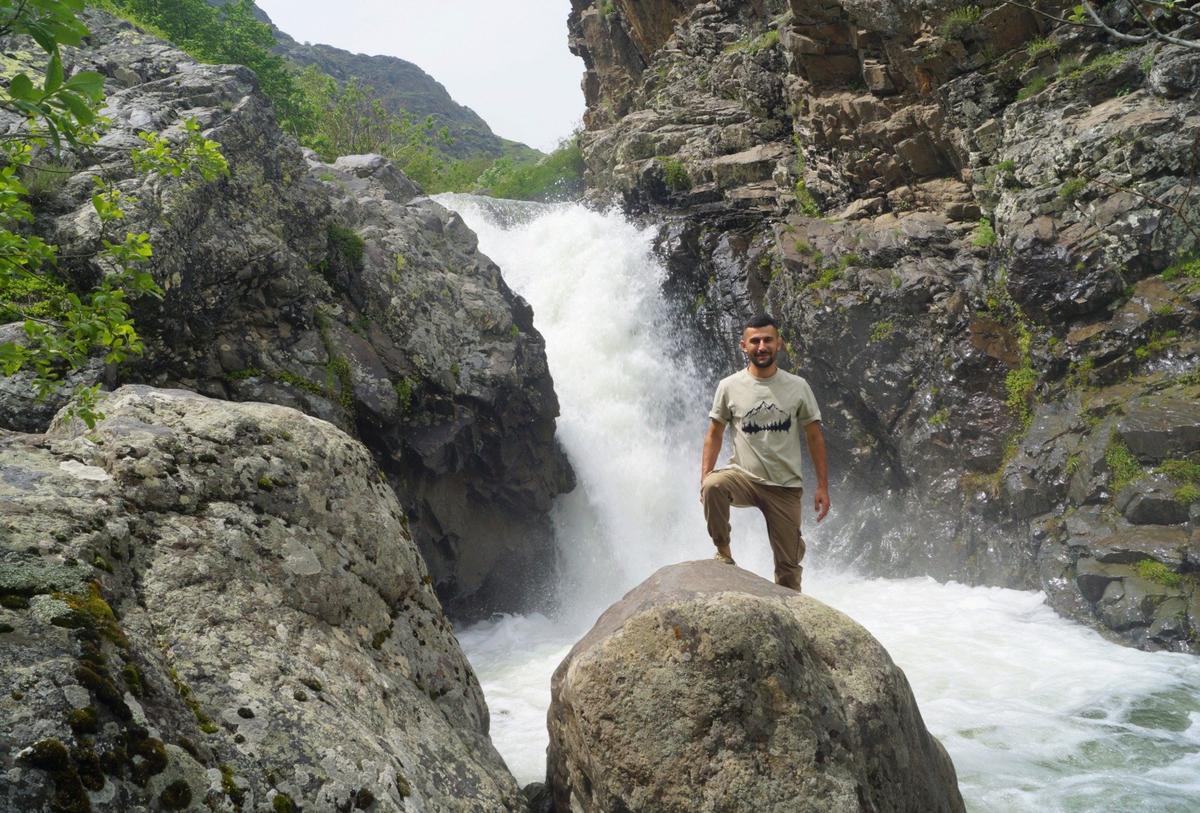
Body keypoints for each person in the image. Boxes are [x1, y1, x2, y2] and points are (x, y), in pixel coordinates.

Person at [699, 314, 829, 591]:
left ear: (779, 344)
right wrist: (703, 477)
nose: (761, 346)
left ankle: (792, 553)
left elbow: (815, 436)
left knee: (788, 572)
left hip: (785, 486)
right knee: (713, 485)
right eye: (755, 341)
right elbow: (714, 433)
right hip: (743, 478)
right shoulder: (729, 386)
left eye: (768, 340)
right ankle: (724, 552)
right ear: (743, 345)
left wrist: (822, 486)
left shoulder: (798, 386)